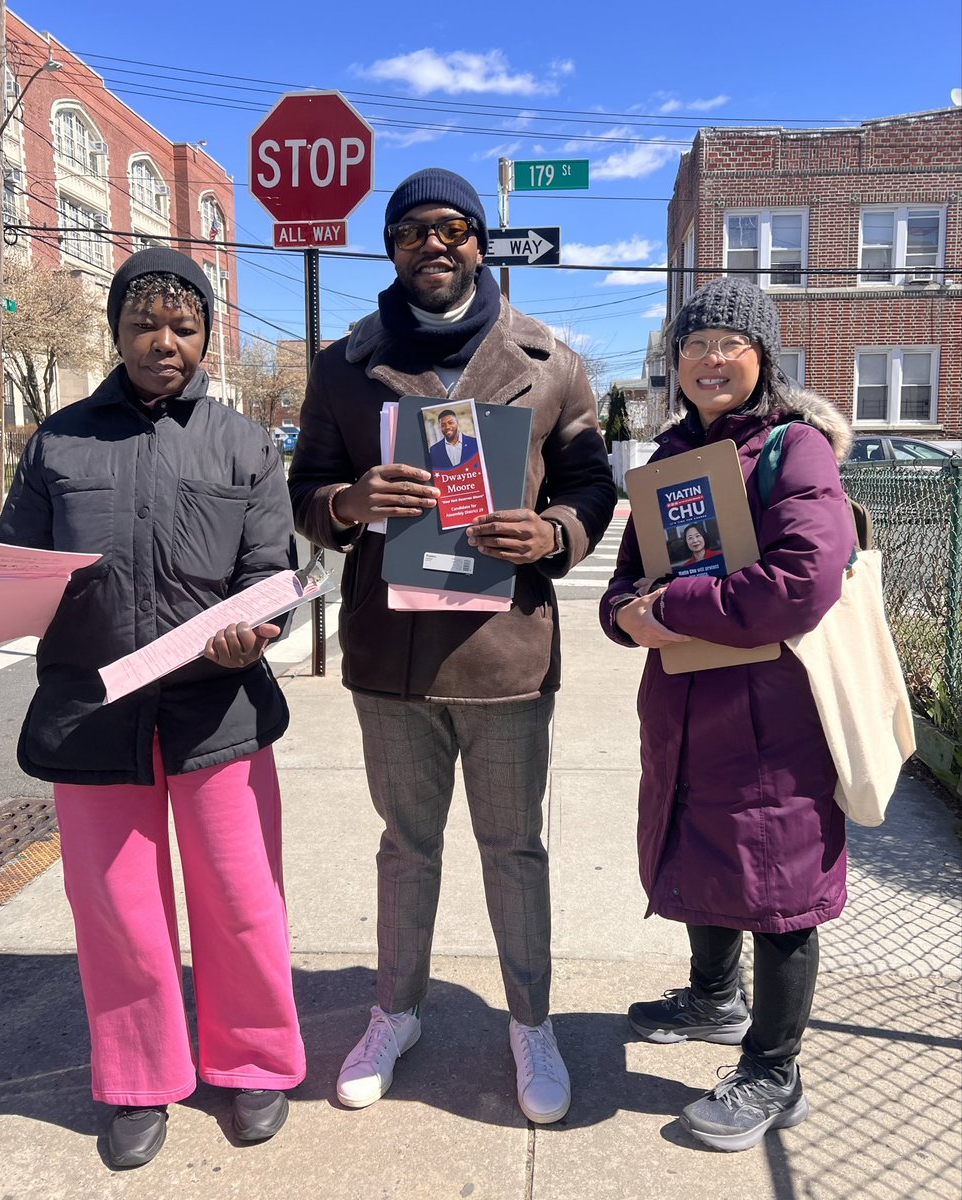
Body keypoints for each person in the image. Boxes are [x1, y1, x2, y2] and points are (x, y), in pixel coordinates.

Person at [288, 168, 615, 1124]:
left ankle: (530, 1022)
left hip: (504, 654)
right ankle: (396, 1011)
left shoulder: (548, 358)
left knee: (514, 848)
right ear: (389, 249)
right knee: (405, 848)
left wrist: (552, 533)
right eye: (410, 232)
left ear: (480, 241)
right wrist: (349, 504)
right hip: (391, 657)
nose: (432, 245)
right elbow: (307, 489)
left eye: (452, 229)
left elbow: (592, 482)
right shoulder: (342, 365)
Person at [0, 247, 305, 1167]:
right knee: (119, 913)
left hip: (220, 714)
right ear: (115, 331)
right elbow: (19, 565)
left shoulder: (243, 444)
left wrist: (261, 628)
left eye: (182, 326)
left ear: (205, 335)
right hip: (93, 714)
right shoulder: (57, 442)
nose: (162, 342)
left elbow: (268, 574)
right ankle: (138, 1078)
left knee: (242, 902)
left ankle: (252, 1062)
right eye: (143, 325)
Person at [599, 277, 854, 1153]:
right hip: (683, 705)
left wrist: (672, 610)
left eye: (730, 343)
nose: (711, 357)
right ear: (675, 362)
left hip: (772, 715)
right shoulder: (668, 459)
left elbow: (802, 581)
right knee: (700, 847)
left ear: (761, 358)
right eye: (695, 343)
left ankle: (774, 1070)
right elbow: (630, 578)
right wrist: (626, 614)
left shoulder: (797, 449)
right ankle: (713, 996)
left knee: (783, 890)